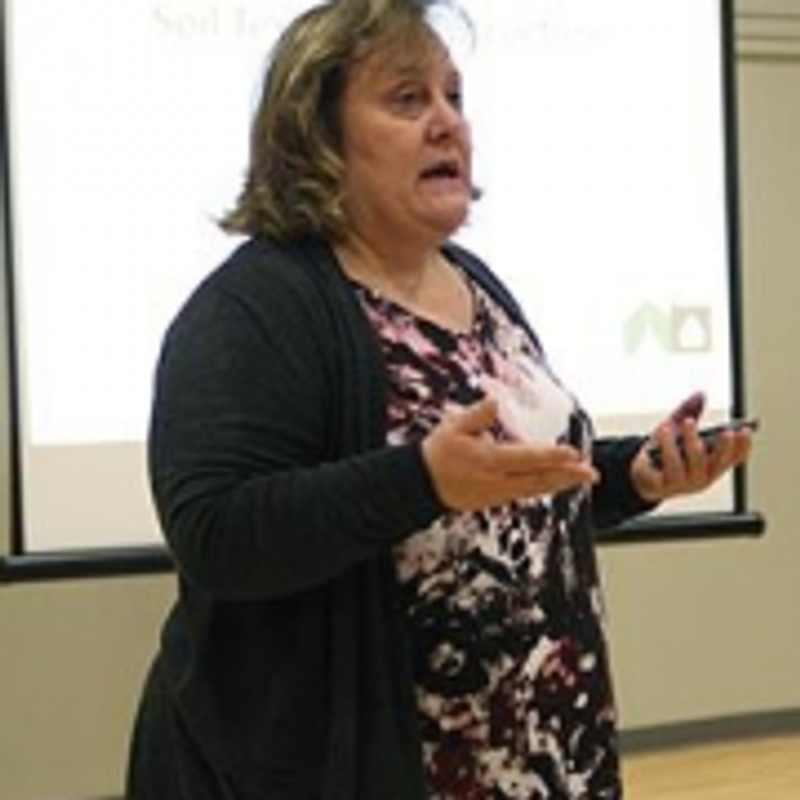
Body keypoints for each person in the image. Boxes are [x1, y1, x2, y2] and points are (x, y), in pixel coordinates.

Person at [125, 1, 753, 797]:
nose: (447, 123)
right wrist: (419, 481)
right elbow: (216, 533)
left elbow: (504, 500)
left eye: (454, 96)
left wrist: (635, 476)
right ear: (316, 137)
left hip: (543, 754)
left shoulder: (476, 285)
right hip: (371, 767)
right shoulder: (255, 307)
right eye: (407, 99)